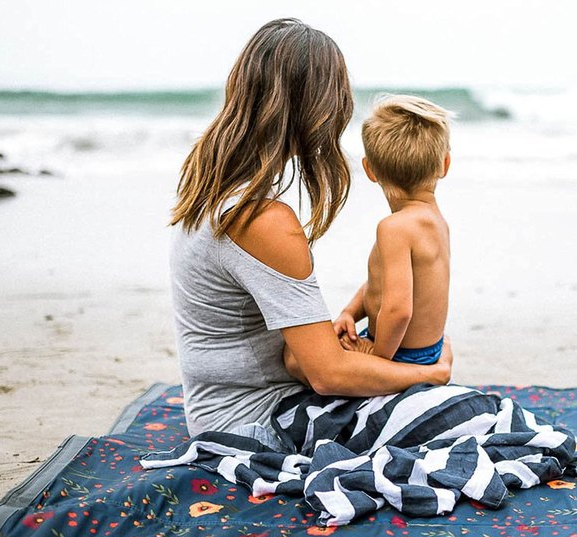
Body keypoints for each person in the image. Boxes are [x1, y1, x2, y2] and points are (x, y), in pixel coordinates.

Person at [168, 18, 451, 437]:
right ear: (316, 108)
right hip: (254, 421)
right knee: (462, 413)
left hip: (231, 401)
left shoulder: (213, 184)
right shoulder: (261, 219)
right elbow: (328, 376)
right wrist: (432, 375)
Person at [334, 95, 451, 366]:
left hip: (397, 354)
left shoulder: (394, 228)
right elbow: (383, 283)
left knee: (295, 360)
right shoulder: (436, 220)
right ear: (445, 164)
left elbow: (398, 310)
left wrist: (376, 359)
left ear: (369, 170)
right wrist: (349, 313)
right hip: (426, 349)